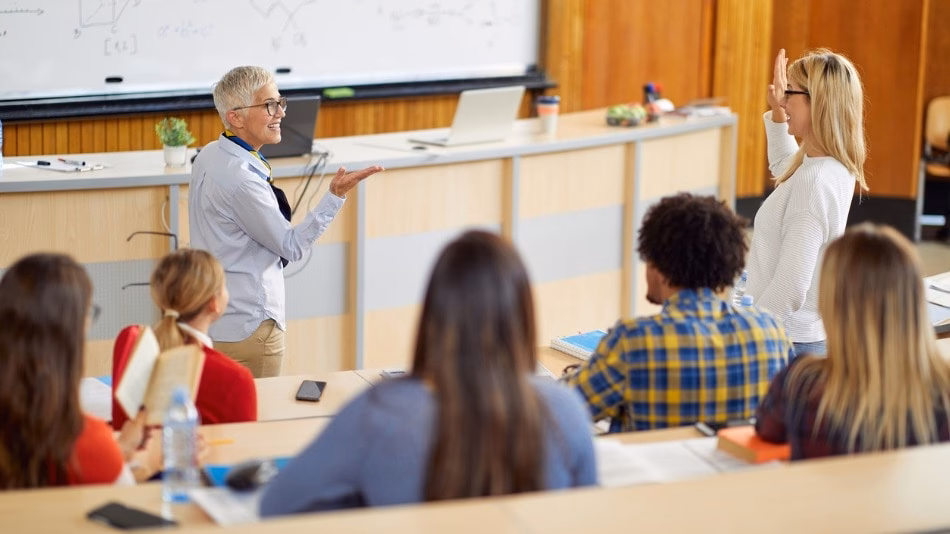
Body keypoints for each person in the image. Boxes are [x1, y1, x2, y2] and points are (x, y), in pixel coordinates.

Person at [260, 230, 596, 516]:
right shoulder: (564, 410)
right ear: (523, 316)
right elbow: (589, 513)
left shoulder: (379, 412)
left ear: (434, 314)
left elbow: (276, 507)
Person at [189, 65, 384, 378]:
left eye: (280, 102)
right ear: (235, 117)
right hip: (250, 326)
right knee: (260, 422)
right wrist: (334, 196)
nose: (280, 112)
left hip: (217, 320)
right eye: (269, 105)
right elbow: (291, 247)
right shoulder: (242, 181)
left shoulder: (210, 154)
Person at [563, 193, 794, 432]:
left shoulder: (633, 342)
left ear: (658, 267)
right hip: (736, 467)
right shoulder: (772, 333)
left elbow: (559, 411)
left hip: (650, 468)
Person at [756, 224, 950, 459]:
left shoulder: (801, 383)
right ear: (915, 301)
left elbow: (766, 431)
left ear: (832, 303)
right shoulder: (943, 389)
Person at [745, 48, 868, 358]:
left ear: (819, 102)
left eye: (790, 93)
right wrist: (777, 112)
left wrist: (744, 336)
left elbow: (790, 287)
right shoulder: (830, 165)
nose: (783, 100)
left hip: (786, 342)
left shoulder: (813, 183)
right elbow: (784, 167)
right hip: (798, 335)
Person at [0, 253, 159, 488]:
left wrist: (120, 449)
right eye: (87, 313)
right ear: (71, 333)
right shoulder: (86, 442)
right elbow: (123, 503)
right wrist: (151, 462)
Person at [112, 248, 257, 428]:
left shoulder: (130, 343)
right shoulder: (235, 379)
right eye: (224, 286)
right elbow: (245, 450)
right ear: (214, 304)